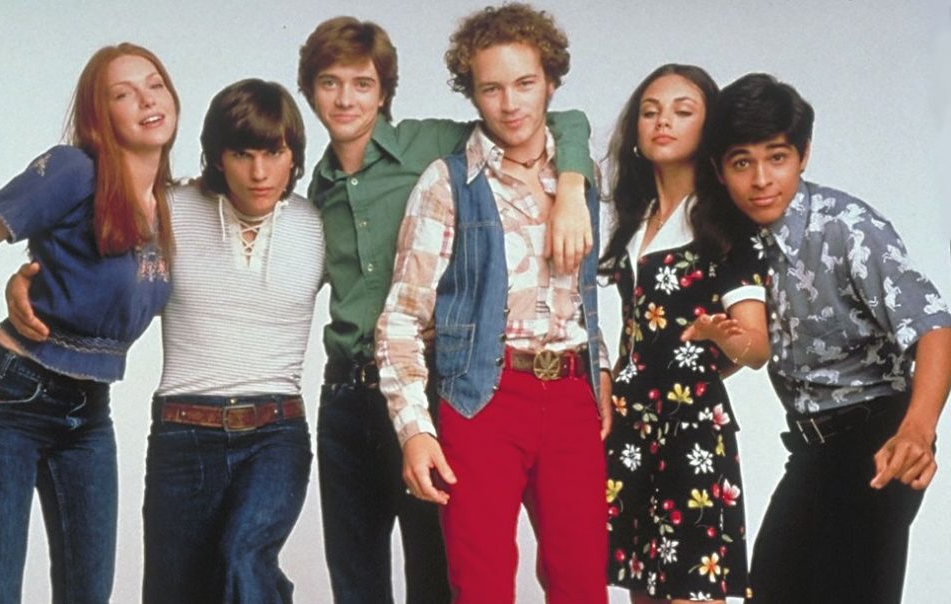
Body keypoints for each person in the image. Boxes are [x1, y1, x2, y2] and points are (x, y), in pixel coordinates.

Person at [297, 15, 597, 603]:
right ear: (309, 92)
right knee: (365, 579)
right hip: (372, 393)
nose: (346, 99)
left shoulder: (433, 144)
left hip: (452, 380)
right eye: (330, 83)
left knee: (449, 580)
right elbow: (394, 316)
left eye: (362, 83)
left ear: (385, 90)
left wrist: (572, 184)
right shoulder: (321, 190)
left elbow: (560, 122)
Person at [7, 79, 324, 604]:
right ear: (218, 157)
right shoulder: (168, 210)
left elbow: (375, 289)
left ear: (294, 156)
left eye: (274, 153)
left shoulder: (318, 225)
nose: (260, 173)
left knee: (244, 558)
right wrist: (23, 284)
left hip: (276, 433)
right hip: (183, 433)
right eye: (242, 155)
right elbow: (91, 267)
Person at [0, 43, 179, 603]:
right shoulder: (74, 170)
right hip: (10, 401)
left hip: (88, 413)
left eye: (155, 84)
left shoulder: (170, 205)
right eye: (124, 94)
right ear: (100, 116)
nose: (146, 100)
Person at [375, 4, 610, 603]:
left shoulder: (581, 178)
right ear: (472, 94)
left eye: (525, 83)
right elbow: (401, 318)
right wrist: (414, 431)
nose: (510, 104)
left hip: (571, 398)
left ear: (550, 82)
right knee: (480, 585)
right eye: (491, 89)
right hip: (483, 395)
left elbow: (588, 296)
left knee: (583, 584)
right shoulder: (447, 181)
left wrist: (600, 370)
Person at [705, 73, 951, 604]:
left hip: (879, 435)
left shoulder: (847, 226)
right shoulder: (734, 243)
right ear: (719, 171)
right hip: (811, 449)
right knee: (770, 589)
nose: (761, 179)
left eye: (777, 157)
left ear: (804, 154)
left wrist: (917, 431)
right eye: (742, 163)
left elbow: (934, 326)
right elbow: (749, 345)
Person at [598, 64, 770, 604]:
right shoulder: (635, 219)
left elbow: (757, 348)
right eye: (650, 111)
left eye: (682, 110)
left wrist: (719, 337)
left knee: (693, 589)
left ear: (708, 126)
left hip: (690, 430)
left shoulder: (724, 223)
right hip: (630, 424)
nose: (662, 122)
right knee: (642, 588)